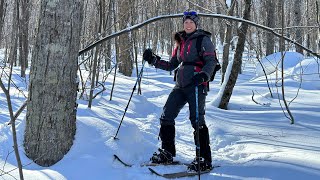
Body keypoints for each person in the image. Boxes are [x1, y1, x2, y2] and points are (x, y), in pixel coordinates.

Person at [143, 11, 217, 172]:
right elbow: (171, 65)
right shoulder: (181, 42)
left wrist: (204, 75)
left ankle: (204, 158)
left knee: (197, 120)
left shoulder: (203, 40)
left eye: (191, 22)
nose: (188, 25)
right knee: (166, 115)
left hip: (197, 84)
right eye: (186, 22)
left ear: (196, 24)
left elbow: (211, 61)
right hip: (180, 85)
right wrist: (153, 60)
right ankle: (167, 152)